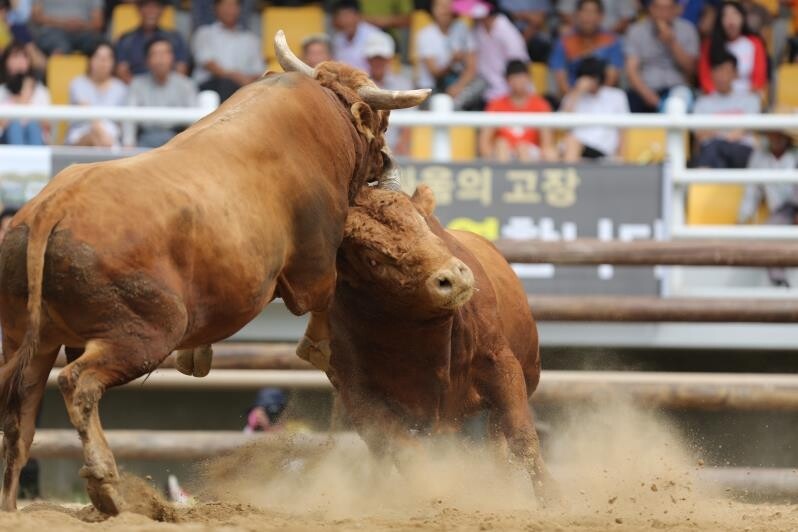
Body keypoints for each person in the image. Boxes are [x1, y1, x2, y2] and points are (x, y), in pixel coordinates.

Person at [737, 123, 798, 287]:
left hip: (792, 208)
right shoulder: (759, 157)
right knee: (769, 233)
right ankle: (778, 281)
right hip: (781, 213)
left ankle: (779, 281)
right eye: (771, 133)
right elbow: (751, 191)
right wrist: (742, 219)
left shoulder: (795, 155)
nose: (774, 137)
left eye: (778, 133)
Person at [624, 0, 700, 113]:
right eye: (659, 8)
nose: (663, 13)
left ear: (676, 9)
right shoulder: (636, 31)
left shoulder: (687, 29)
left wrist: (672, 43)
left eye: (668, 8)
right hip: (644, 91)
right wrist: (650, 97)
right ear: (651, 9)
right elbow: (631, 71)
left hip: (677, 89)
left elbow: (691, 69)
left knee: (679, 102)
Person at [124, 37, 198, 148]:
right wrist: (128, 144)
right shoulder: (137, 84)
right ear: (147, 61)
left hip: (176, 138)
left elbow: (194, 121)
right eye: (155, 54)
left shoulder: (186, 85)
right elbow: (129, 118)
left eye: (164, 54)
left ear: (172, 57)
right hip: (145, 138)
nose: (160, 60)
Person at [692, 51, 760, 169]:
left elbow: (745, 129)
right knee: (715, 151)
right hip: (711, 151)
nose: (721, 76)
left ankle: (705, 177)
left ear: (735, 73)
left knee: (715, 147)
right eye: (718, 71)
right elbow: (700, 133)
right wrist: (730, 134)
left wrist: (717, 134)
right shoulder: (701, 103)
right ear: (711, 74)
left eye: (726, 71)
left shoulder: (750, 99)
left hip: (741, 151)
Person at [479, 59, 556, 162]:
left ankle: (525, 171)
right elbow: (484, 142)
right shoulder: (496, 105)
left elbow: (547, 143)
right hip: (503, 154)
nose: (518, 83)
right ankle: (503, 171)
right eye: (514, 79)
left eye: (521, 78)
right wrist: (490, 159)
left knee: (524, 148)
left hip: (531, 155)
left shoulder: (541, 105)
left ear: (528, 78)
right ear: (507, 81)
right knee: (501, 144)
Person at [415, 0, 485, 110]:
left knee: (481, 84)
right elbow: (435, 73)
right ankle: (452, 108)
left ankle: (452, 107)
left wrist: (458, 86)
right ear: (432, 9)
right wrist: (452, 61)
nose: (445, 10)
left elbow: (471, 67)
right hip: (433, 88)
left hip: (457, 85)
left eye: (448, 6)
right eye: (441, 6)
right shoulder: (426, 34)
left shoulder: (462, 29)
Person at [456, 0, 530, 103]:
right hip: (485, 91)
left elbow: (519, 67)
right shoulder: (476, 29)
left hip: (508, 94)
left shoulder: (507, 31)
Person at [548, 0, 624, 97]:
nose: (588, 17)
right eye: (584, 11)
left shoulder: (611, 40)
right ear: (576, 15)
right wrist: (575, 97)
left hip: (604, 96)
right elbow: (561, 78)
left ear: (601, 16)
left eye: (592, 12)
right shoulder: (564, 41)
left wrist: (597, 99)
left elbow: (612, 75)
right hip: (573, 96)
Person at [191, 0, 263, 102]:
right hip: (209, 86)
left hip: (243, 88)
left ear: (240, 9)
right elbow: (209, 64)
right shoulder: (204, 33)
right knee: (226, 84)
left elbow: (258, 71)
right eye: (225, 5)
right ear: (216, 8)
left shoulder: (251, 39)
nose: (229, 10)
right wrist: (237, 77)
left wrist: (246, 82)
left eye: (233, 5)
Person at [560, 56, 628, 162]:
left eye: (591, 77)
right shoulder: (572, 97)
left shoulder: (617, 96)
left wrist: (621, 156)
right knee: (554, 152)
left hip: (602, 150)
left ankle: (569, 172)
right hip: (574, 147)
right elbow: (561, 124)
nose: (588, 81)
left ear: (598, 78)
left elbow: (623, 129)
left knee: (572, 144)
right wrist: (577, 92)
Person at [698, 1, 767, 97]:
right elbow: (705, 77)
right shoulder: (709, 44)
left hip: (747, 96)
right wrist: (716, 96)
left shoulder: (755, 43)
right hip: (717, 97)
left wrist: (747, 95)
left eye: (735, 14)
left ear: (743, 18)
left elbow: (759, 79)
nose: (730, 19)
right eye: (725, 16)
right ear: (720, 21)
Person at [66, 41, 128, 147]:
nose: (102, 63)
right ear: (90, 60)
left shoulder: (120, 88)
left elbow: (122, 123)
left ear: (113, 62)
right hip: (82, 132)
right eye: (98, 57)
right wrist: (98, 130)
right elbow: (85, 109)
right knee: (94, 136)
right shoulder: (78, 83)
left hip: (110, 135)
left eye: (107, 59)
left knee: (100, 136)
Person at [115, 0, 190, 84]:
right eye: (146, 7)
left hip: (169, 87)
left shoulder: (175, 38)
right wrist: (140, 88)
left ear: (162, 10)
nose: (151, 11)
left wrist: (165, 88)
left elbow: (181, 69)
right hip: (135, 88)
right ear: (138, 9)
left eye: (156, 7)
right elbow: (122, 71)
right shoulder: (126, 40)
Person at [365, 31, 412, 156]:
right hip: (367, 151)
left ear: (389, 59)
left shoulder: (403, 85)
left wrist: (401, 146)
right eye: (374, 58)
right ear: (368, 60)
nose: (377, 62)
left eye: (381, 58)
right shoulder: (359, 84)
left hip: (395, 150)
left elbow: (409, 123)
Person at [0, 42, 49, 145]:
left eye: (24, 57)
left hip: (35, 138)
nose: (20, 61)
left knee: (32, 126)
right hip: (5, 141)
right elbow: (2, 125)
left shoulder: (40, 91)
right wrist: (22, 99)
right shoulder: (2, 91)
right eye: (15, 56)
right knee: (15, 126)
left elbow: (46, 125)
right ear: (6, 61)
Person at [29, 0, 103, 55]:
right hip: (53, 32)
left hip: (84, 33)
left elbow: (98, 22)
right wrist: (63, 24)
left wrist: (80, 25)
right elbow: (36, 16)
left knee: (97, 45)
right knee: (60, 46)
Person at [331, 0, 382, 72]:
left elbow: (379, 70)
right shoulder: (338, 39)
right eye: (341, 16)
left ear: (358, 16)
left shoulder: (375, 36)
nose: (345, 21)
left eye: (347, 16)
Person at [557, 0, 638, 35]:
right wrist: (584, 29)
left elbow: (626, 18)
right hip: (579, 30)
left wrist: (605, 34)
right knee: (564, 30)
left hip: (612, 32)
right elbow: (565, 13)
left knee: (632, 31)